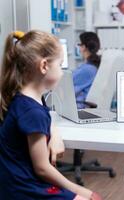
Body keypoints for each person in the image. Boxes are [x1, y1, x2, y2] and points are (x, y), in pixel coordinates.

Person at [0, 30, 101, 200]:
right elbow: (42, 169)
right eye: (60, 66)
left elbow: (45, 116)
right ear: (44, 66)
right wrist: (81, 191)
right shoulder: (31, 110)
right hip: (22, 189)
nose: (63, 72)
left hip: (18, 182)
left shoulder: (25, 99)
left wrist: (54, 133)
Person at [73, 32, 101, 109]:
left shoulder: (88, 69)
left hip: (78, 108)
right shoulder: (94, 65)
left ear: (84, 47)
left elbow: (67, 88)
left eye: (79, 45)